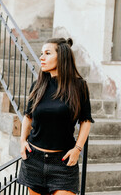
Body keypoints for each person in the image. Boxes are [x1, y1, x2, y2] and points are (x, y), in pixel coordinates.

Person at [17, 37, 94, 195]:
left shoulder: (79, 86)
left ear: (62, 57)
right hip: (34, 159)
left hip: (63, 163)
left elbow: (86, 120)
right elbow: (28, 116)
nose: (41, 57)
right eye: (41, 53)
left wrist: (77, 149)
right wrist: (22, 141)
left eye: (47, 53)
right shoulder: (38, 86)